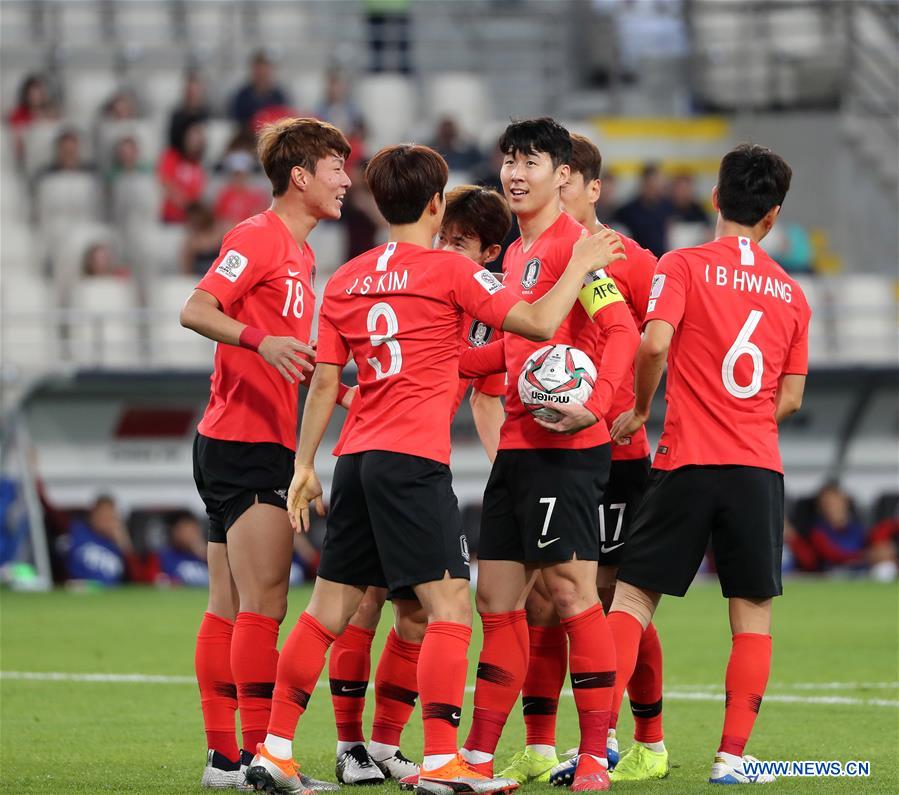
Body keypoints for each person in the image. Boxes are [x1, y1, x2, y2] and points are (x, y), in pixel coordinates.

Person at [245, 142, 625, 795]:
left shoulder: (344, 278)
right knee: (450, 606)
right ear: (432, 204)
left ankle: (274, 749)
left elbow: (324, 381)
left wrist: (305, 463)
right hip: (412, 461)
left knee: (327, 606)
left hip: (354, 457)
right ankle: (445, 760)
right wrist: (583, 263)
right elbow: (533, 321)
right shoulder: (452, 272)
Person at [606, 143, 810, 785]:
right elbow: (793, 396)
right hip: (755, 468)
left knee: (632, 601)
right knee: (751, 616)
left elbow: (655, 341)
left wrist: (640, 409)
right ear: (773, 217)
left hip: (685, 458)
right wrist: (745, 420)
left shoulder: (684, 263)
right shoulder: (792, 294)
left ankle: (595, 746)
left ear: (716, 199)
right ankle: (732, 760)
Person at [453, 118, 639, 793]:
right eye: (507, 159)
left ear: (563, 174)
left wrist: (601, 404)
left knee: (569, 592)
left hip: (567, 447)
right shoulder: (515, 254)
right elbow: (507, 350)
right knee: (497, 603)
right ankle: (474, 756)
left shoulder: (571, 246)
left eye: (528, 160)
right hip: (515, 444)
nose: (513, 172)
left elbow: (619, 329)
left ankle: (593, 755)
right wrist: (439, 363)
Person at [179, 117, 354, 791]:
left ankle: (226, 758)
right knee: (265, 604)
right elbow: (196, 309)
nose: (345, 179)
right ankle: (262, 757)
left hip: (236, 438)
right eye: (336, 167)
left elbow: (287, 350)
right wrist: (259, 340)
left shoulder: (302, 253)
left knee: (228, 602)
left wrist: (328, 387)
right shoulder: (257, 236)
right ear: (301, 176)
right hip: (248, 444)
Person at [321, 184, 514, 788]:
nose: (446, 248)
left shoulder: (481, 313)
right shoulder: (431, 285)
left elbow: (484, 393)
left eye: (461, 242)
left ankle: (383, 745)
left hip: (408, 458)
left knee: (412, 614)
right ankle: (353, 746)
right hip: (400, 463)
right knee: (370, 603)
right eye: (444, 236)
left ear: (488, 254)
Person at [499, 132, 666, 786]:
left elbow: (657, 340)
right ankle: (540, 743)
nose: (554, 191)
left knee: (611, 594)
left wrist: (639, 405)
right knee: (542, 597)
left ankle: (641, 737)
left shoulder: (628, 259)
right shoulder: (534, 251)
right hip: (549, 447)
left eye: (566, 181)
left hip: (616, 448)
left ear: (588, 186)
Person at [612, 164, 672, 258]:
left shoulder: (668, 207)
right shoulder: (627, 211)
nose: (653, 189)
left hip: (661, 259)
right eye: (650, 185)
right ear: (643, 183)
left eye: (656, 185)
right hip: (637, 259)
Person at [807, 482, 868, 571]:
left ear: (845, 503)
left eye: (836, 502)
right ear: (820, 508)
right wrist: (865, 556)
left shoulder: (859, 529)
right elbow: (833, 555)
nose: (832, 508)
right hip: (833, 573)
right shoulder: (817, 532)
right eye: (827, 504)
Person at [158, 119, 207, 223]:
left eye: (199, 137)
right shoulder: (171, 156)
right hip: (170, 217)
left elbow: (198, 193)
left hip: (191, 220)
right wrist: (187, 205)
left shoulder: (199, 165)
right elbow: (165, 183)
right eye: (192, 136)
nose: (196, 140)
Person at [230, 51, 291, 131]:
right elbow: (238, 121)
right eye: (258, 70)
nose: (261, 74)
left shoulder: (278, 95)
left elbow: (283, 119)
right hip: (248, 136)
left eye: (264, 70)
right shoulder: (242, 96)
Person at [214, 151, 270, 227]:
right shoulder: (224, 195)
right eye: (236, 175)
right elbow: (218, 218)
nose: (239, 178)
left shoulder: (256, 196)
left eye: (242, 175)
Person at [159, 512, 209, 587]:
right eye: (184, 530)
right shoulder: (168, 555)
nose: (189, 535)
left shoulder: (205, 555)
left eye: (192, 530)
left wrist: (203, 553)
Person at [169, 70, 211, 154]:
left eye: (195, 90)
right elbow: (173, 141)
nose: (192, 94)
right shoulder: (177, 116)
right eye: (190, 90)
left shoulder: (207, 114)